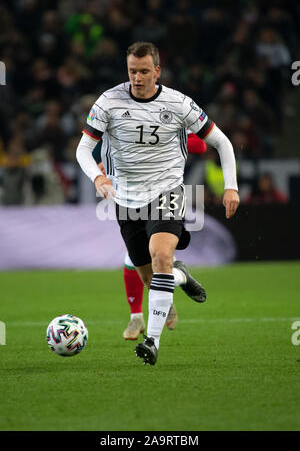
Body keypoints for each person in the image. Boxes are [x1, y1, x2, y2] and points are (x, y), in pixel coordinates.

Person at [76, 41, 239, 365]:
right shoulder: (109, 101)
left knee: (161, 254)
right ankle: (179, 277)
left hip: (167, 193)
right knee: (151, 277)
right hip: (125, 200)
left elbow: (220, 142)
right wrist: (98, 177)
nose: (137, 77)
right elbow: (83, 148)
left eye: (144, 71)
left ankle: (152, 342)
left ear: (157, 71)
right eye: (132, 71)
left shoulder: (179, 104)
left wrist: (231, 188)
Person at [92, 131, 208, 341]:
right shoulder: (121, 110)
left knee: (158, 251)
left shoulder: (170, 106)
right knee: (135, 251)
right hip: (130, 190)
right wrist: (106, 165)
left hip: (163, 192)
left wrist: (157, 144)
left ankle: (167, 289)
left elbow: (200, 145)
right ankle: (139, 314)